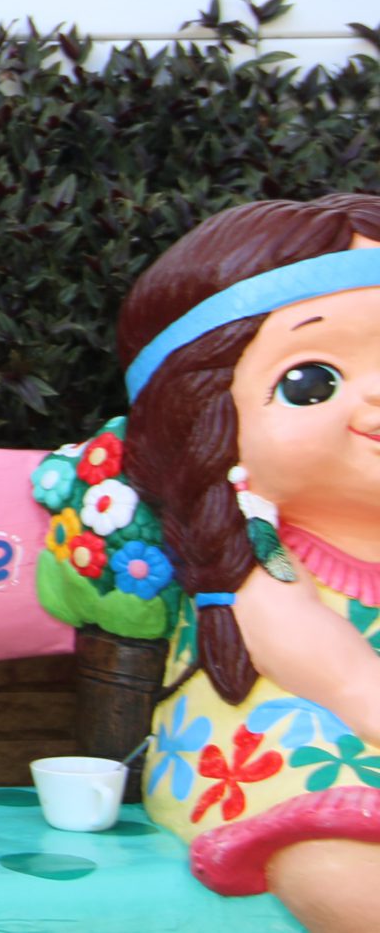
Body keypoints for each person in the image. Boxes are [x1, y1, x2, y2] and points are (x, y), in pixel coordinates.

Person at [118, 193, 380, 932]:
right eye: (311, 382)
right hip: (293, 771)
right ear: (209, 424)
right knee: (339, 873)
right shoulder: (259, 569)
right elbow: (348, 681)